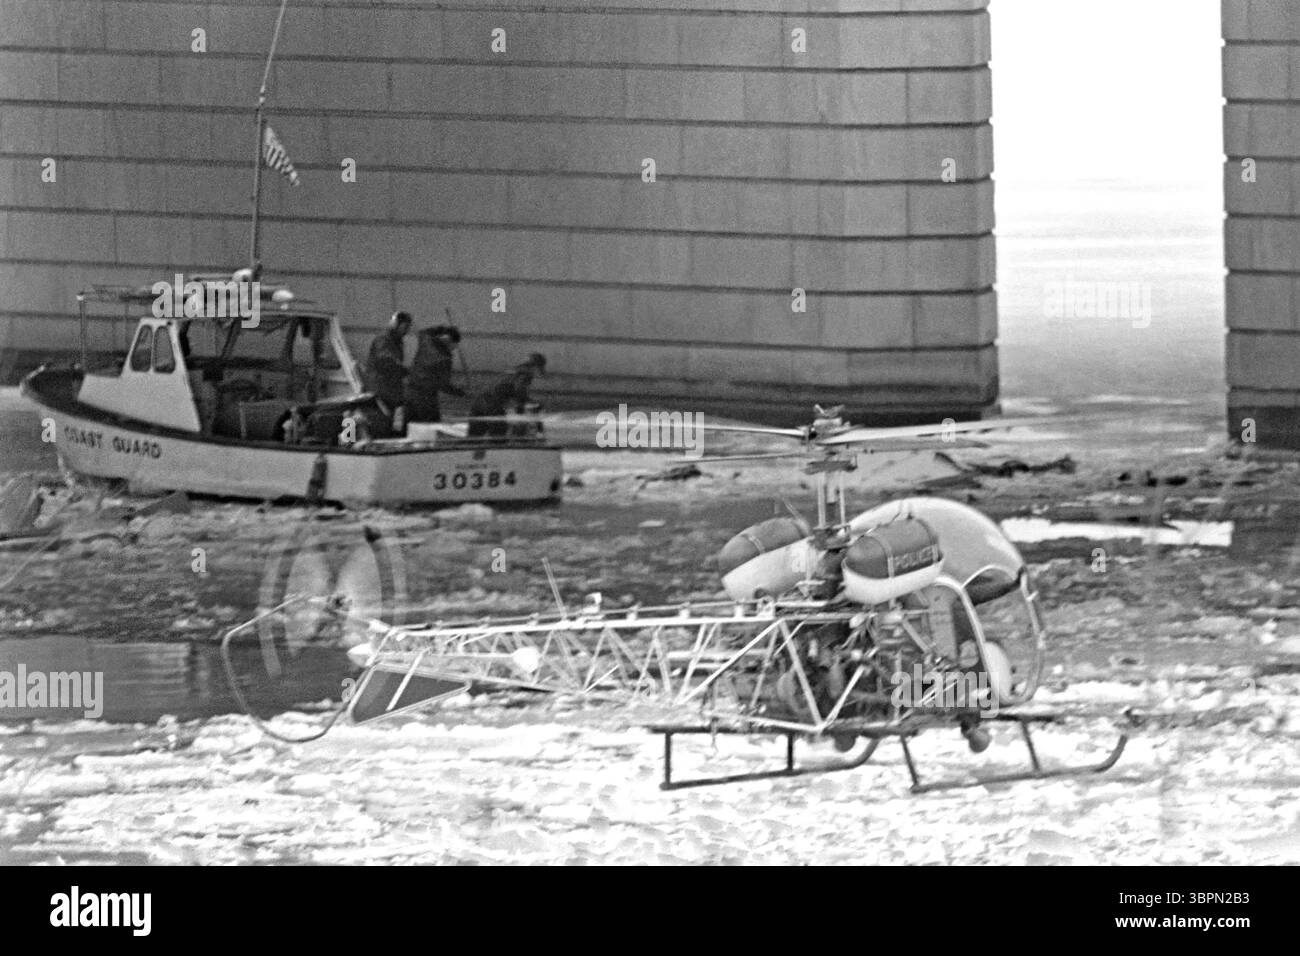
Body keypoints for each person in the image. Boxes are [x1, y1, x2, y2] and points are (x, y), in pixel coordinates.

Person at [467, 353, 546, 439]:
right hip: (492, 405)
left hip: (479, 402)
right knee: (498, 439)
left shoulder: (513, 371)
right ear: (535, 366)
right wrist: (533, 406)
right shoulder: (525, 374)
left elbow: (517, 396)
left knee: (473, 439)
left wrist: (522, 407)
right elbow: (519, 393)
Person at [364, 311, 412, 433]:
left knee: (389, 420)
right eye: (405, 327)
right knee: (380, 420)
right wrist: (406, 371)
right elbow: (386, 360)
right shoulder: (383, 340)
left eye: (408, 327)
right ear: (396, 324)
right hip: (380, 389)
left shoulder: (396, 341)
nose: (406, 331)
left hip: (390, 389)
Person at [406, 325, 465, 424]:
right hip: (427, 399)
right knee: (431, 426)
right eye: (454, 345)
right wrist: (460, 393)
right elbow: (443, 385)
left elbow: (424, 331)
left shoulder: (426, 341)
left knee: (409, 426)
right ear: (449, 341)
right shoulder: (445, 359)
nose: (454, 349)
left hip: (409, 392)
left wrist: (442, 329)